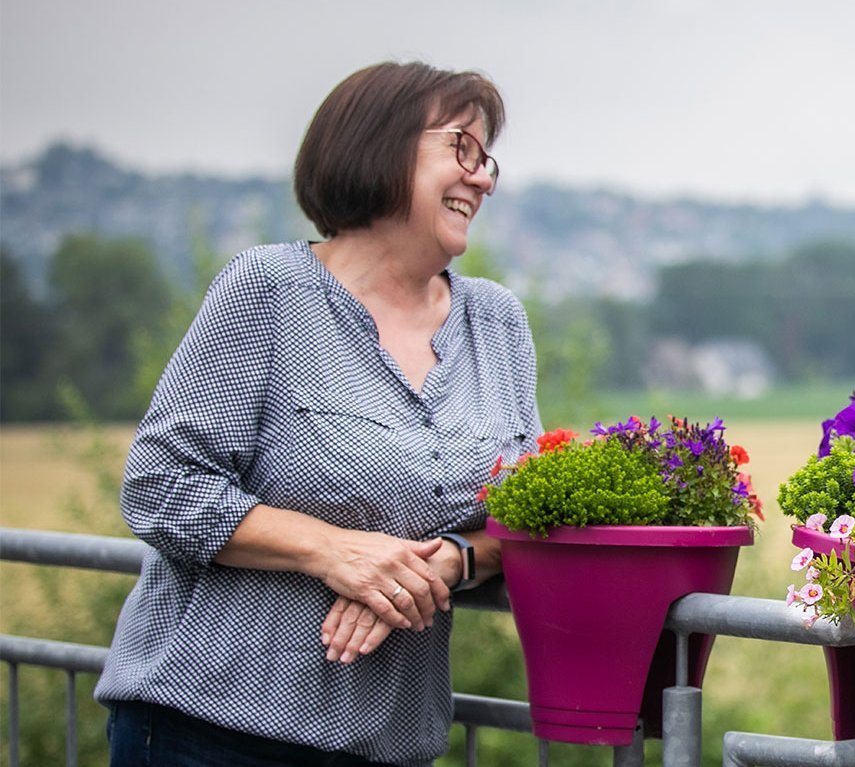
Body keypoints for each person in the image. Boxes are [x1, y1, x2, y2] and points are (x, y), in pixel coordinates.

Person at [97, 61, 540, 766]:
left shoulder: (498, 322)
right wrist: (337, 552)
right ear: (380, 147)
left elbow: (529, 516)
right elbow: (160, 485)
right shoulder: (268, 289)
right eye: (461, 147)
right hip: (207, 732)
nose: (483, 177)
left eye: (487, 158)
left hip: (386, 744)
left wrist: (444, 563)